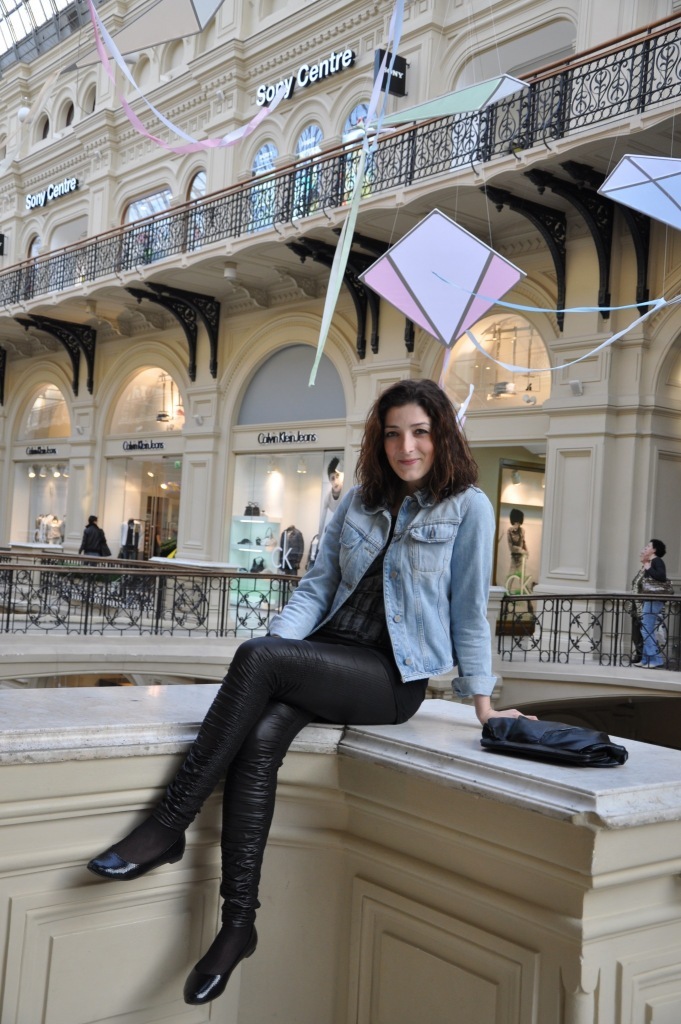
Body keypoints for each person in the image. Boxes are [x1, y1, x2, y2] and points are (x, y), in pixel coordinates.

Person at [86, 378, 531, 1007]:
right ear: (379, 440)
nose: (406, 447)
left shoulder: (468, 507)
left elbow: (469, 611)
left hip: (391, 677)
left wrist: (483, 703)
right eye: (394, 433)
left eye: (420, 432)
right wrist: (277, 653)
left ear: (442, 437)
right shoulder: (359, 501)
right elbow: (317, 587)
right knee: (260, 736)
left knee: (258, 660)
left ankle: (168, 824)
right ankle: (239, 925)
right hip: (329, 653)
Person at [640, 538, 668, 668]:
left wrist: (647, 567)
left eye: (648, 546)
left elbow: (661, 577)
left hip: (654, 599)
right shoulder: (651, 562)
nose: (646, 548)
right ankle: (646, 659)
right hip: (650, 598)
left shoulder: (657, 561)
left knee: (646, 629)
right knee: (646, 628)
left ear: (654, 549)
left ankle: (655, 659)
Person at [318, 456, 344, 536]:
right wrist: (319, 538)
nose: (335, 481)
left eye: (337, 476)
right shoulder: (327, 499)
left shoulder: (346, 494)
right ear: (329, 480)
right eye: (332, 478)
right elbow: (322, 521)